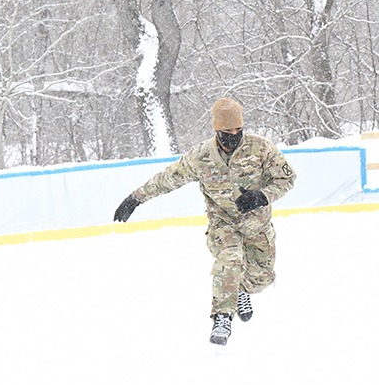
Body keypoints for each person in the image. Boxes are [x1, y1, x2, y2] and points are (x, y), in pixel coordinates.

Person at [113, 97, 296, 345]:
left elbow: (287, 179)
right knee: (230, 259)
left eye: (238, 130)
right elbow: (168, 179)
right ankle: (222, 317)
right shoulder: (201, 157)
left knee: (262, 279)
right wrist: (135, 199)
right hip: (223, 225)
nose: (234, 135)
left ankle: (241, 289)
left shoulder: (261, 148)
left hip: (258, 227)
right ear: (217, 130)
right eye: (227, 131)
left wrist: (262, 196)